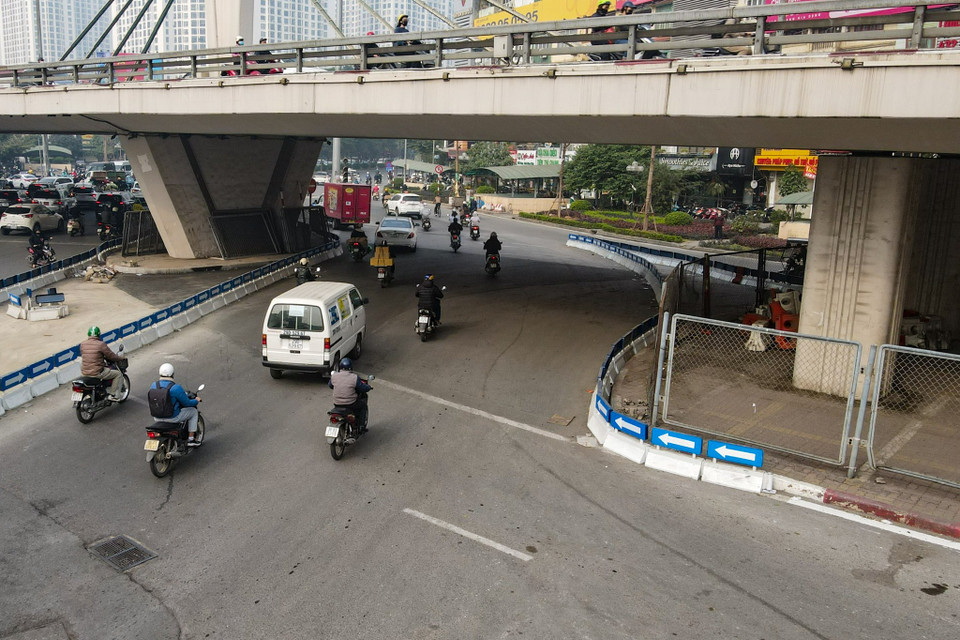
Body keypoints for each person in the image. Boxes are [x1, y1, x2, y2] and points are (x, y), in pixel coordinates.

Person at [150, 363, 202, 447]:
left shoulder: (153, 385)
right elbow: (187, 403)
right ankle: (191, 439)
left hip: (157, 417)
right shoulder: (175, 388)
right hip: (173, 418)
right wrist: (196, 401)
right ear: (172, 374)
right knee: (193, 412)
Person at [80, 326, 125, 401]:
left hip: (84, 372)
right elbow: (111, 356)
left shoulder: (82, 344)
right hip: (96, 372)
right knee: (118, 374)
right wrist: (121, 358)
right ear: (98, 335)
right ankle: (112, 395)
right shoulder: (101, 344)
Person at [329, 358, 371, 431]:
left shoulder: (334, 376)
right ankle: (361, 426)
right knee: (363, 406)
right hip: (350, 403)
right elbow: (362, 387)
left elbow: (330, 385)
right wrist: (369, 387)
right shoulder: (354, 377)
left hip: (337, 403)